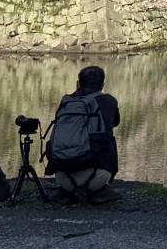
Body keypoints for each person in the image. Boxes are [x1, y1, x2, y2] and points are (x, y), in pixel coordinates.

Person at [45, 65, 120, 206]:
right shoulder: (109, 101)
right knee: (109, 139)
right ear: (102, 85)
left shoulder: (66, 102)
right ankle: (101, 191)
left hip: (63, 178)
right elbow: (115, 122)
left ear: (78, 83)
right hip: (95, 179)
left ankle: (66, 192)